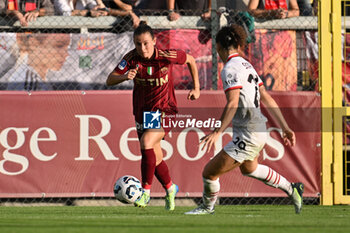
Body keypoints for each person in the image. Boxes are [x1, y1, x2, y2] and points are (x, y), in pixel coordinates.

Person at [185, 24, 304, 215]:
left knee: (209, 173)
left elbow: (232, 103)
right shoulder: (247, 65)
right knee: (250, 169)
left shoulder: (230, 69)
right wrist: (284, 126)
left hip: (249, 133)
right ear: (239, 44)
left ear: (218, 47)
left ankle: (207, 208)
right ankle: (292, 189)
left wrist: (217, 132)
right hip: (257, 129)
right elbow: (266, 97)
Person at [106, 23, 200, 210]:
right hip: (144, 112)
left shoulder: (166, 56)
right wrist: (125, 77)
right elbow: (110, 79)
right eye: (138, 44)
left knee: (147, 143)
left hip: (165, 109)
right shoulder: (131, 59)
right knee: (153, 156)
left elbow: (190, 60)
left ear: (154, 41)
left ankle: (145, 192)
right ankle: (170, 188)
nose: (143, 48)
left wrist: (196, 88)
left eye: (146, 44)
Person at [3, 33, 70, 90]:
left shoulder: (39, 79)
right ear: (33, 43)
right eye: (59, 46)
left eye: (67, 47)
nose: (66, 54)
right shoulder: (28, 81)